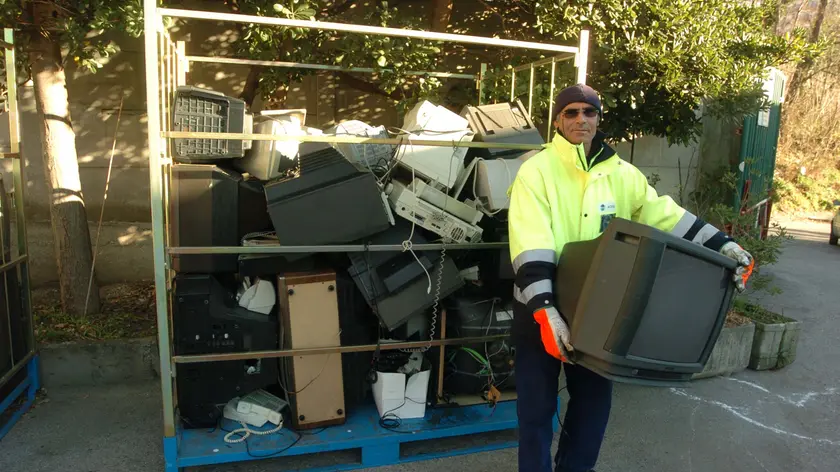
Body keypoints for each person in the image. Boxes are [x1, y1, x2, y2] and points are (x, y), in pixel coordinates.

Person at [507, 84, 754, 472]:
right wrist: (545, 309)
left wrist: (724, 246)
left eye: (589, 113)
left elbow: (665, 215)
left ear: (598, 120)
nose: (580, 120)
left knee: (591, 410)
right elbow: (530, 239)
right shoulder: (535, 172)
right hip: (541, 310)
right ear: (557, 120)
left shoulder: (623, 175)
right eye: (570, 113)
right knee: (535, 412)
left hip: (596, 314)